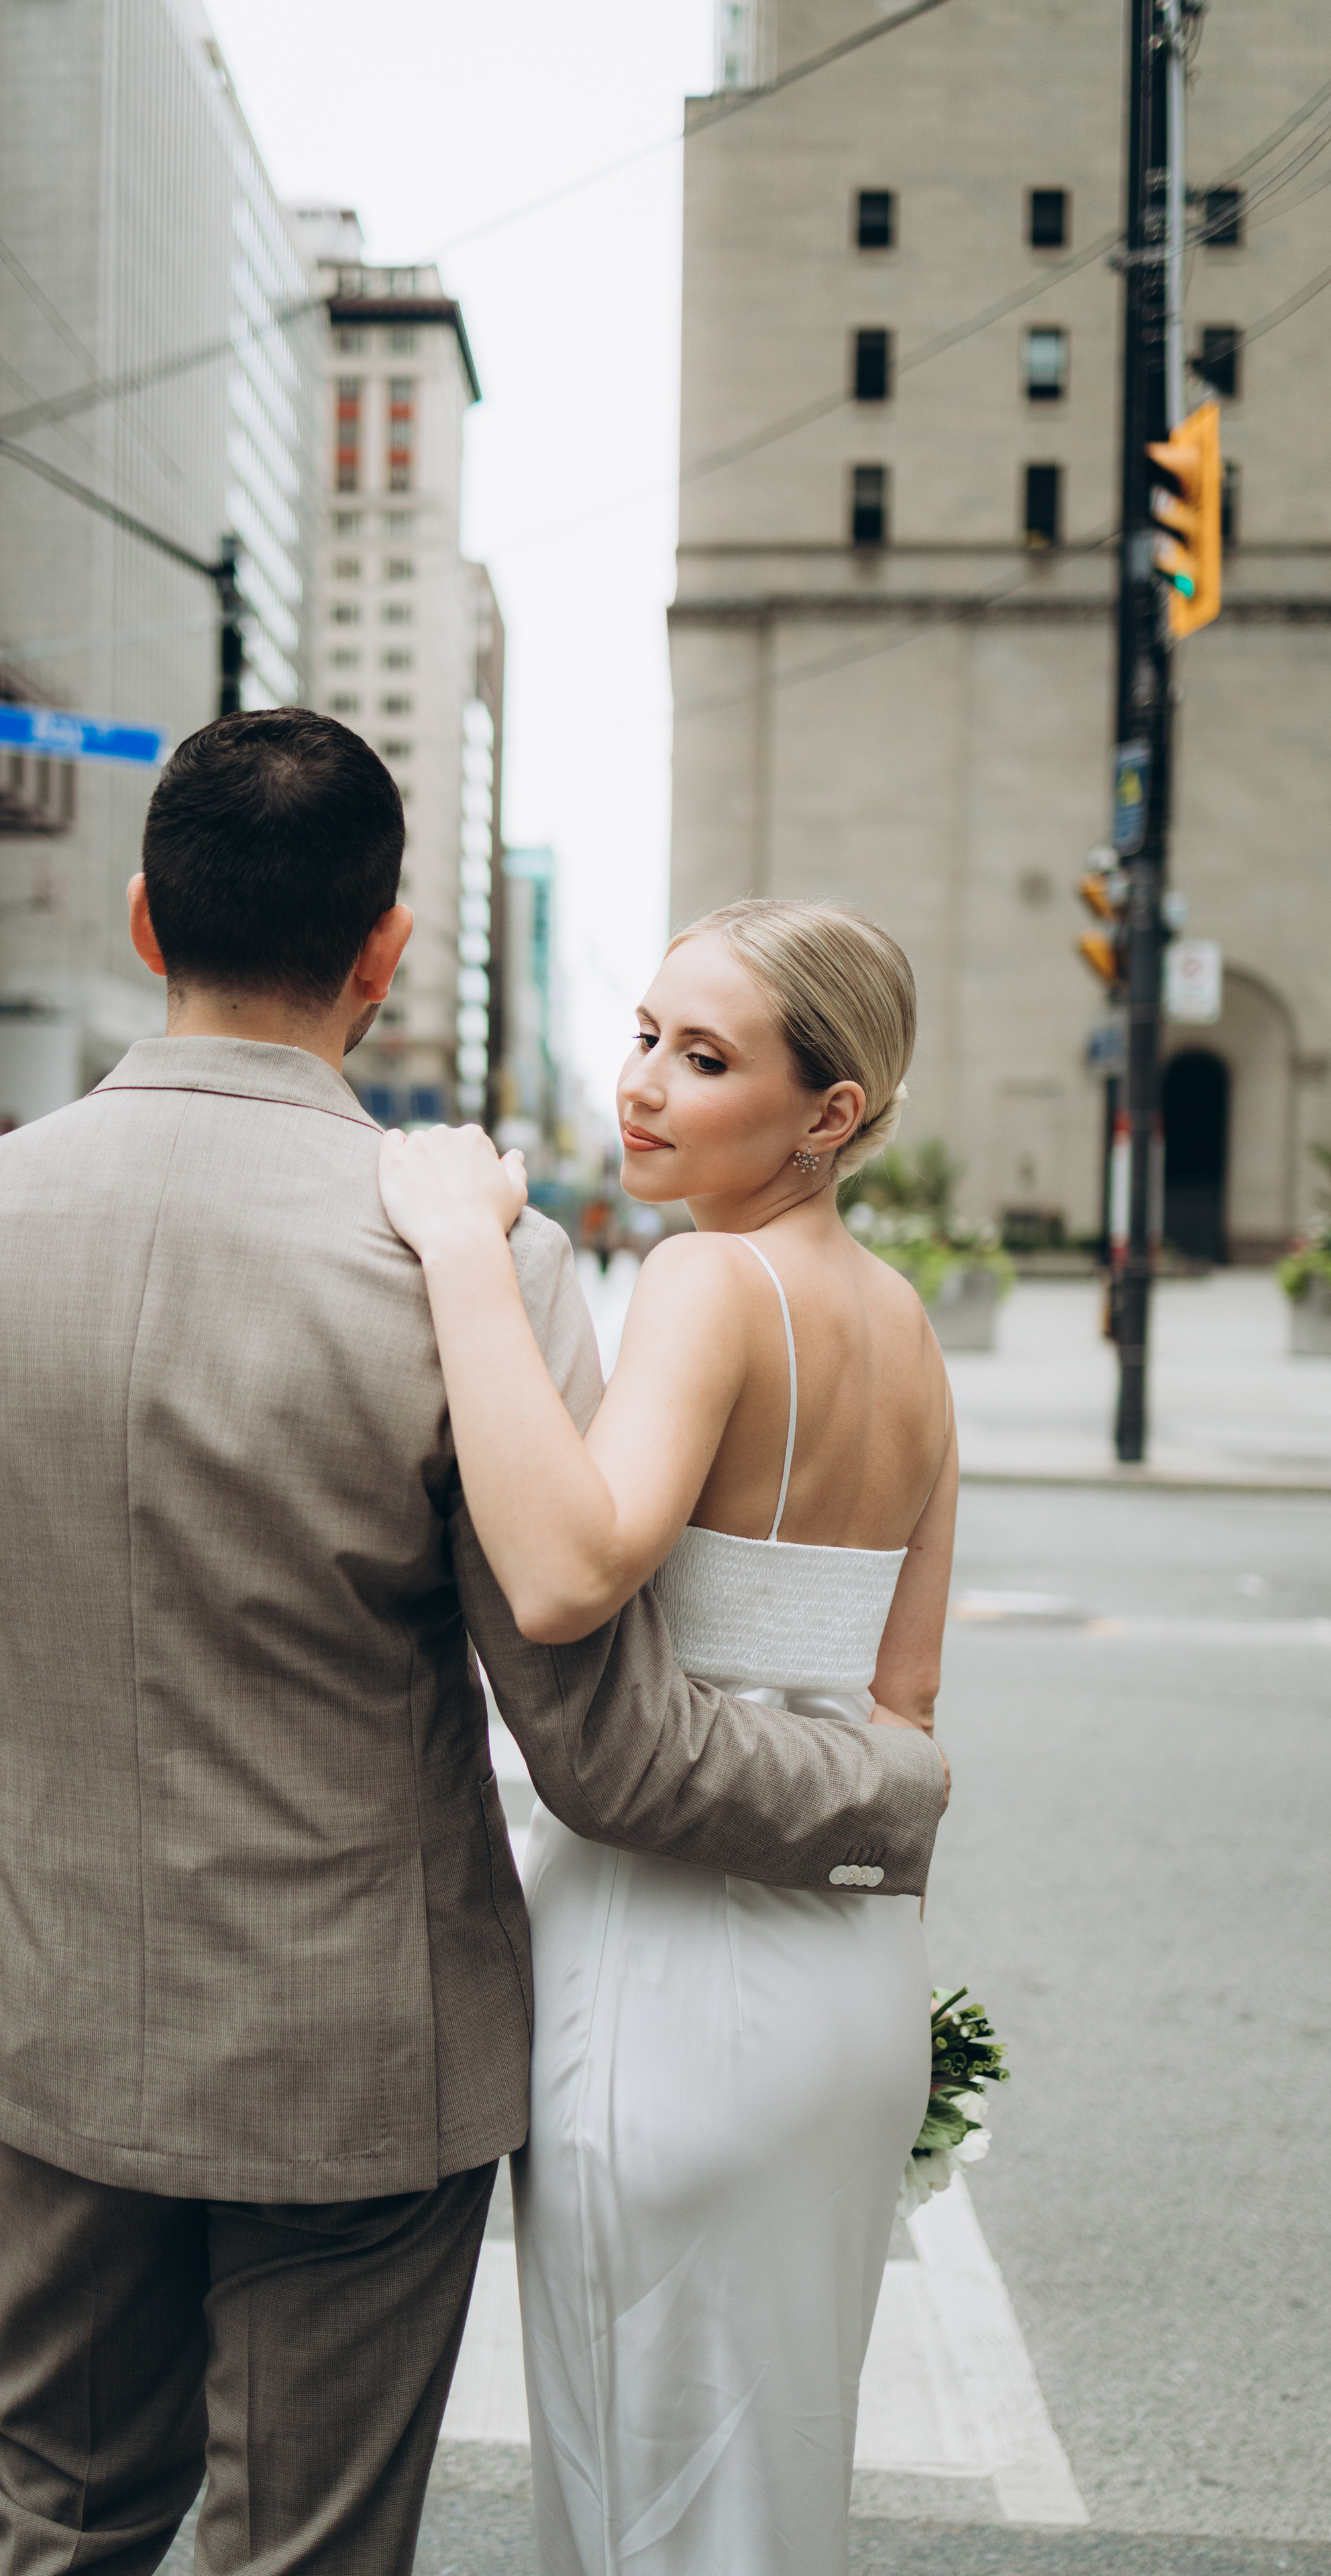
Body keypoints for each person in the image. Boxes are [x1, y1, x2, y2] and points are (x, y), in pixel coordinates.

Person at [0, 714, 949, 2576]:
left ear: (140, 917)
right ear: (385, 951)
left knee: (55, 2523)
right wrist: (886, 1786)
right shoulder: (475, 1262)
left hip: (44, 2037)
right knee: (308, 2554)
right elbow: (603, 1747)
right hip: (361, 2065)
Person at [377, 898, 955, 2576]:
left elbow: (563, 1575)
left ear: (828, 1115)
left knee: (634, 2484)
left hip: (661, 1965)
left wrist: (462, 1248)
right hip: (845, 1990)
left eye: (702, 1059)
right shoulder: (910, 1331)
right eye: (642, 1035)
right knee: (765, 2480)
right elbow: (902, 1713)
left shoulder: (709, 1278)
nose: (640, 1085)